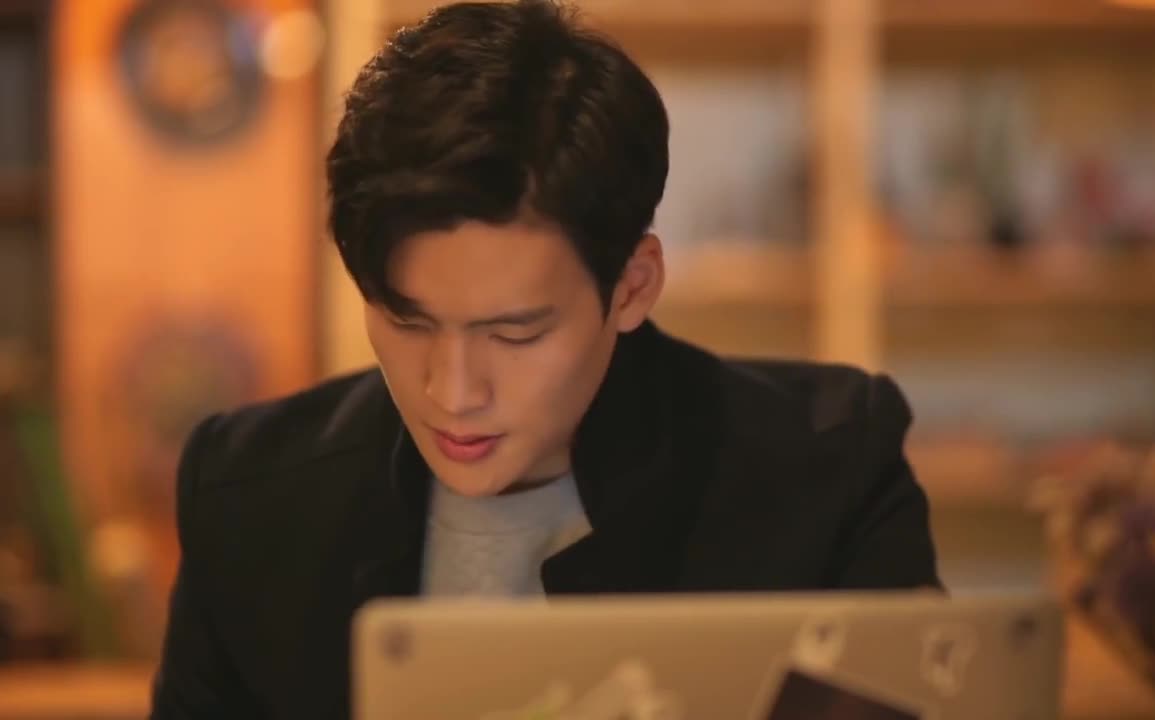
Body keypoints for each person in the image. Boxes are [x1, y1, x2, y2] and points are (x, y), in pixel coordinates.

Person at [149, 1, 940, 717]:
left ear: (632, 286)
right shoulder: (249, 495)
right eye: (407, 320)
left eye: (515, 334)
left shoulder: (826, 474)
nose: (453, 392)